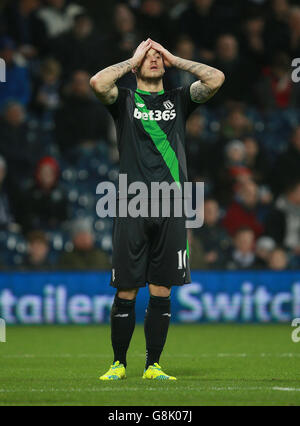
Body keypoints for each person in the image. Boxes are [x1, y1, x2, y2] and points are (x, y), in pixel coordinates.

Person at [90, 38, 224, 380]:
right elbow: (98, 83)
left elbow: (216, 79)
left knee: (162, 287)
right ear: (136, 65)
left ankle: (153, 366)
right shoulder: (124, 100)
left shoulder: (179, 99)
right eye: (147, 57)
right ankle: (118, 364)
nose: (154, 60)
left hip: (172, 205)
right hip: (131, 203)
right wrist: (131, 59)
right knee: (127, 288)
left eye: (157, 57)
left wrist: (177, 59)